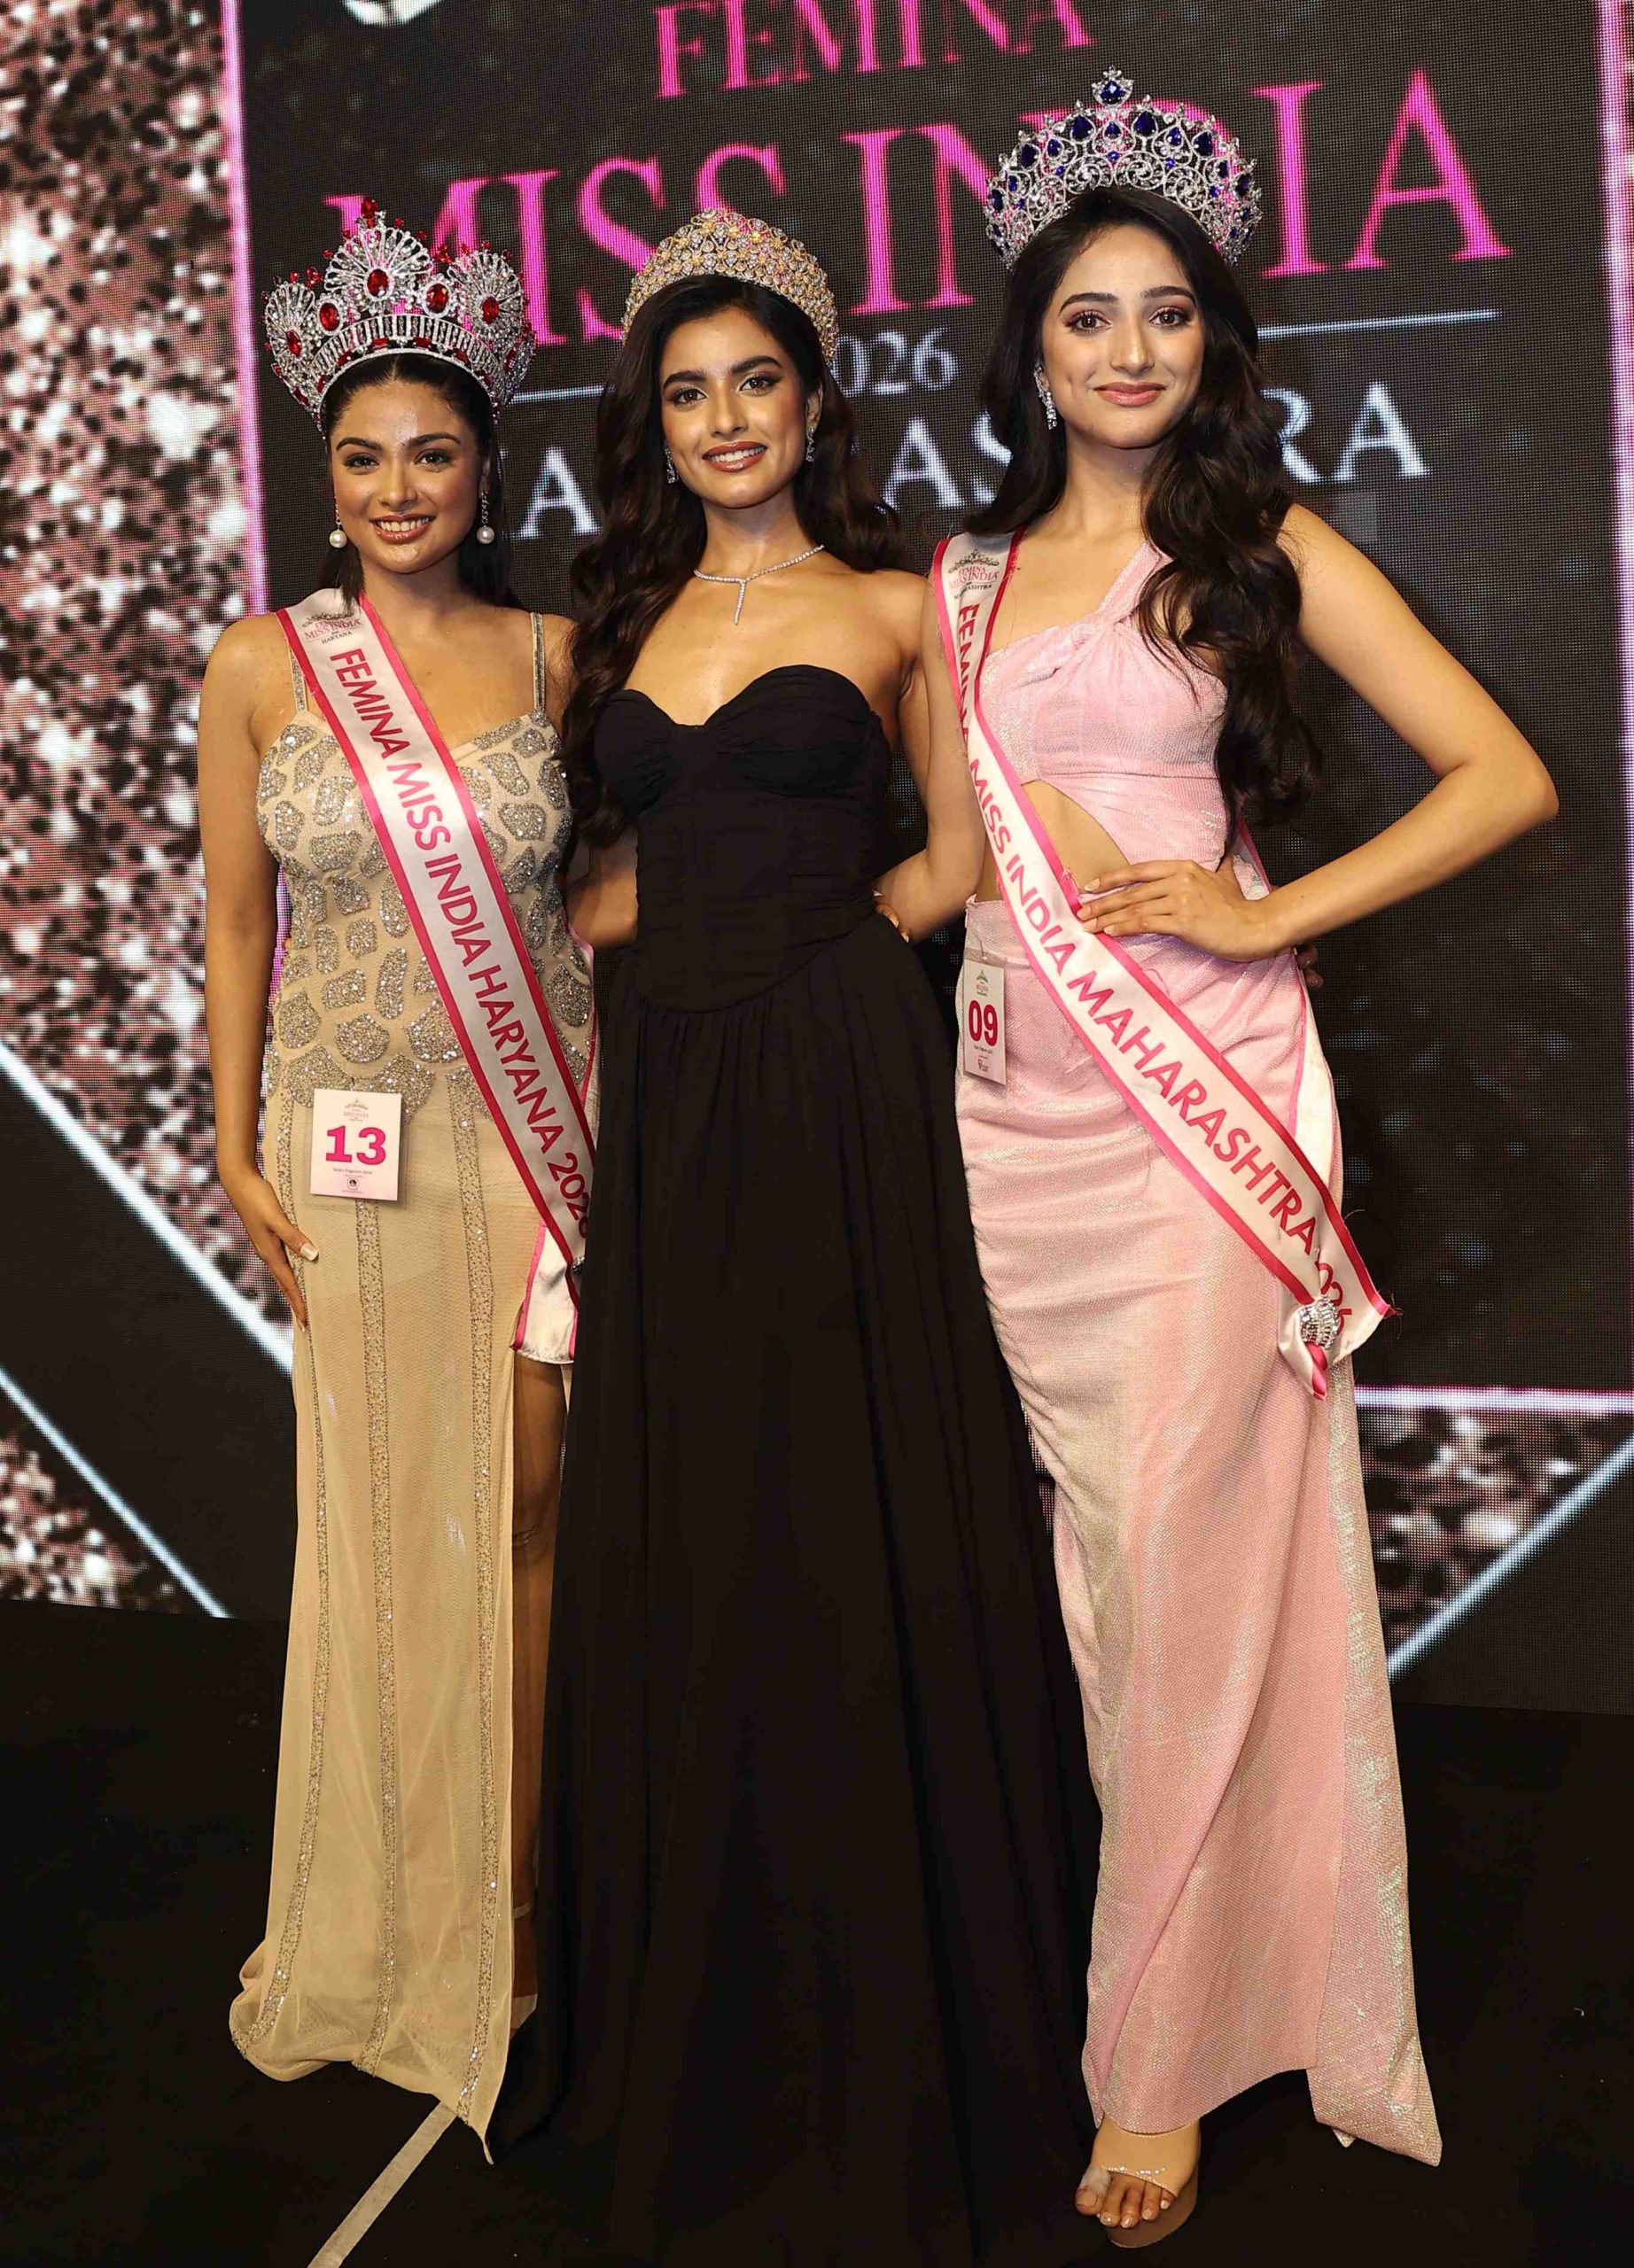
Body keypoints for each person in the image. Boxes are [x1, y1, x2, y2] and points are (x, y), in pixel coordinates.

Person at [923, 74, 1557, 2244]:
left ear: (1210, 341)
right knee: (1107, 1590)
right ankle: (1206, 1966)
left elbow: (1500, 775)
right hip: (1015, 1124)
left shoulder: (1256, 547)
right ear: (1030, 347)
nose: (1129, 350)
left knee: (1183, 1579)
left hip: (1199, 1113)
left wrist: (1264, 911)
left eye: (1167, 312)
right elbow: (948, 866)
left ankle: (1159, 2061)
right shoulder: (960, 580)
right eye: (1087, 314)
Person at [492, 210, 1102, 2267]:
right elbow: (594, 873)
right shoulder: (614, 621)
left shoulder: (895, 601)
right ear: (653, 424)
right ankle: (713, 1991)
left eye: (756, 379)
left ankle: (912, 2001)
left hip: (840, 1074)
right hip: (672, 1093)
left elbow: (960, 846)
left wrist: (831, 947)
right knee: (702, 1501)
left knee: (852, 1491)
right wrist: (653, 949)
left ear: (817, 397)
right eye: (687, 391)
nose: (725, 417)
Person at [198, 205, 595, 2144]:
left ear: (486, 468)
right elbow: (233, 928)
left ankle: (508, 1911)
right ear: (328, 477)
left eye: (433, 452)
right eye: (363, 457)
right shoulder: (260, 664)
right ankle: (379, 1909)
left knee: (523, 1509)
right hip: (342, 1153)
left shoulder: (560, 655)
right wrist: (224, 1137)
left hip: (532, 1136)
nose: (399, 487)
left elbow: (605, 903)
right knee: (372, 1525)